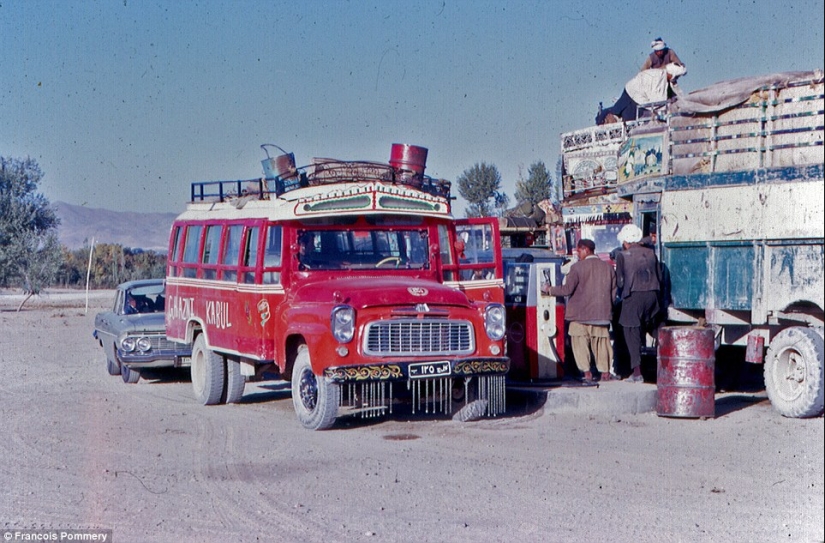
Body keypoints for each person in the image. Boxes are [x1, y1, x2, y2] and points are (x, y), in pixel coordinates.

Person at [541, 239, 617, 383]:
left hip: (579, 316)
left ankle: (587, 373)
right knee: (602, 344)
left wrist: (549, 289)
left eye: (579, 251)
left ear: (586, 250)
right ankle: (605, 373)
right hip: (602, 315)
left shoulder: (577, 268)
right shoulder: (608, 268)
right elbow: (613, 293)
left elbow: (567, 290)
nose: (578, 254)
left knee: (580, 344)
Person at [614, 224, 662, 383]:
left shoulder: (622, 255)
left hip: (633, 297)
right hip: (653, 295)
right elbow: (659, 276)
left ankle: (637, 373)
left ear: (626, 241)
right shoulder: (650, 253)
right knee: (656, 330)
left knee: (631, 332)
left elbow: (620, 282)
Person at [596, 63, 686, 125]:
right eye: (677, 76)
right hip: (633, 96)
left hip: (633, 93)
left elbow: (677, 93)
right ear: (672, 74)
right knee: (626, 120)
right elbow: (657, 101)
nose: (676, 78)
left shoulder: (663, 77)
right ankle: (603, 119)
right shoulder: (658, 78)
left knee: (619, 112)